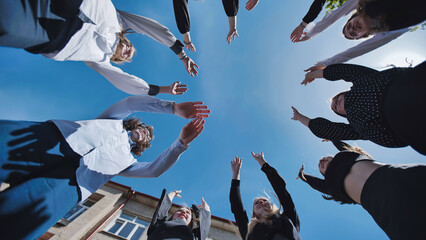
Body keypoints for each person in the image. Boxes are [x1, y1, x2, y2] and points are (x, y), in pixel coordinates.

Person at [0, 95, 209, 240]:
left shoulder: (128, 161)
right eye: (144, 129)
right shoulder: (113, 120)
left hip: (73, 184)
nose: (145, 133)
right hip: (56, 140)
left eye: (147, 136)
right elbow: (130, 102)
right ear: (135, 125)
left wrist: (180, 143)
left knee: (16, 221)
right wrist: (172, 108)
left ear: (142, 145)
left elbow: (154, 170)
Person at [0, 0, 198, 96]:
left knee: (6, 24)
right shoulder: (121, 21)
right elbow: (152, 28)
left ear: (119, 60)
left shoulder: (100, 60)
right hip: (77, 3)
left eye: (128, 56)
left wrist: (162, 89)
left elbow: (126, 82)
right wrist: (181, 55)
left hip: (57, 38)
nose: (129, 50)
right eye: (131, 46)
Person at [296, 141, 426, 240]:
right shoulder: (330, 185)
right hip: (381, 205)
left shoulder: (348, 155)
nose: (321, 160)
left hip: (395, 174)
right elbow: (315, 183)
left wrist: (331, 137)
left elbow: (342, 145)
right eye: (320, 166)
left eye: (326, 158)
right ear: (324, 175)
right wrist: (303, 176)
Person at [292, 61, 426, 155]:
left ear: (345, 93)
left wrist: (312, 75)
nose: (335, 104)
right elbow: (325, 129)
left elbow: (343, 71)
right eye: (335, 108)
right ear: (343, 115)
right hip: (412, 130)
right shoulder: (356, 126)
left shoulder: (363, 82)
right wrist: (299, 117)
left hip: (411, 86)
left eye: (337, 99)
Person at [291, 0, 425, 68]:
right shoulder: (391, 29)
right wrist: (327, 64)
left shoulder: (364, 4)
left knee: (370, 9)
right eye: (354, 33)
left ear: (354, 16)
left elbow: (335, 15)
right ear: (365, 34)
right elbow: (358, 51)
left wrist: (309, 31)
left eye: (349, 25)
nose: (353, 28)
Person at [230, 153, 301, 240]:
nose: (261, 202)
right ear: (254, 213)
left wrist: (263, 163)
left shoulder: (287, 217)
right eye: (256, 203)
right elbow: (237, 208)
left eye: (264, 200)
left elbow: (281, 189)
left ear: (271, 205)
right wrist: (235, 174)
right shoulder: (249, 231)